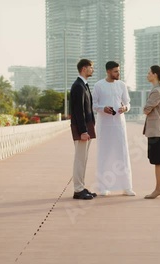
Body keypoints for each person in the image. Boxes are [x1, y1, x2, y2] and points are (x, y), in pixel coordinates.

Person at [92, 61, 135, 196]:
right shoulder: (98, 85)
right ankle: (103, 187)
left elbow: (128, 102)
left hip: (119, 124)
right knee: (104, 154)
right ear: (108, 71)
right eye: (115, 71)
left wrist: (125, 108)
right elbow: (93, 105)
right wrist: (102, 108)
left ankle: (127, 186)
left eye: (118, 71)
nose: (118, 73)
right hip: (104, 125)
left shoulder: (122, 85)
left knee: (122, 153)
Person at [70, 59, 97, 200]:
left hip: (87, 126)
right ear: (84, 69)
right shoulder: (78, 86)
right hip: (82, 128)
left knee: (83, 159)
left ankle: (81, 186)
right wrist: (83, 131)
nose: (93, 70)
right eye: (91, 68)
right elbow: (78, 111)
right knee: (80, 159)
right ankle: (78, 189)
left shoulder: (83, 85)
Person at [143, 65, 160, 199]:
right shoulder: (158, 90)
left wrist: (146, 108)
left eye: (149, 73)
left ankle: (159, 188)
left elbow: (147, 109)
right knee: (157, 161)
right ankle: (159, 187)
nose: (147, 75)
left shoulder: (156, 91)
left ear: (154, 75)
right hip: (157, 131)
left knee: (158, 161)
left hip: (157, 131)